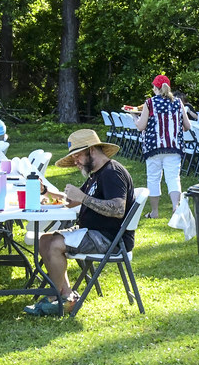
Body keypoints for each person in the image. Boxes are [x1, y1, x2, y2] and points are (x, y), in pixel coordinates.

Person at [29, 130, 135, 316]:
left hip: (110, 239)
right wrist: (46, 191)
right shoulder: (96, 174)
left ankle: (54, 299)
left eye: (77, 155)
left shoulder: (112, 173)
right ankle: (67, 295)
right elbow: (72, 201)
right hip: (92, 232)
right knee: (44, 240)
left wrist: (84, 198)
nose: (75, 161)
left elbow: (118, 209)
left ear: (92, 150)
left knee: (54, 245)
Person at [136, 74, 191, 219]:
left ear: (155, 88)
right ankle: (175, 207)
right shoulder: (178, 103)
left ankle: (154, 212)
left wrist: (134, 118)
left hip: (154, 147)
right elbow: (187, 126)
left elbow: (141, 126)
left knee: (153, 178)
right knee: (173, 178)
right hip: (173, 146)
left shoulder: (150, 103)